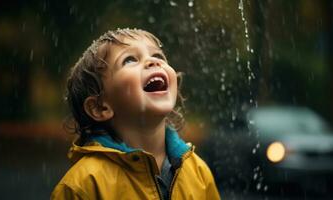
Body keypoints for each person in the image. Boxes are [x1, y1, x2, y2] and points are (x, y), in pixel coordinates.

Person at [51, 28, 220, 200]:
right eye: (129, 60)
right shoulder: (83, 186)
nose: (152, 62)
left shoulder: (199, 173)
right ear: (100, 107)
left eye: (158, 56)